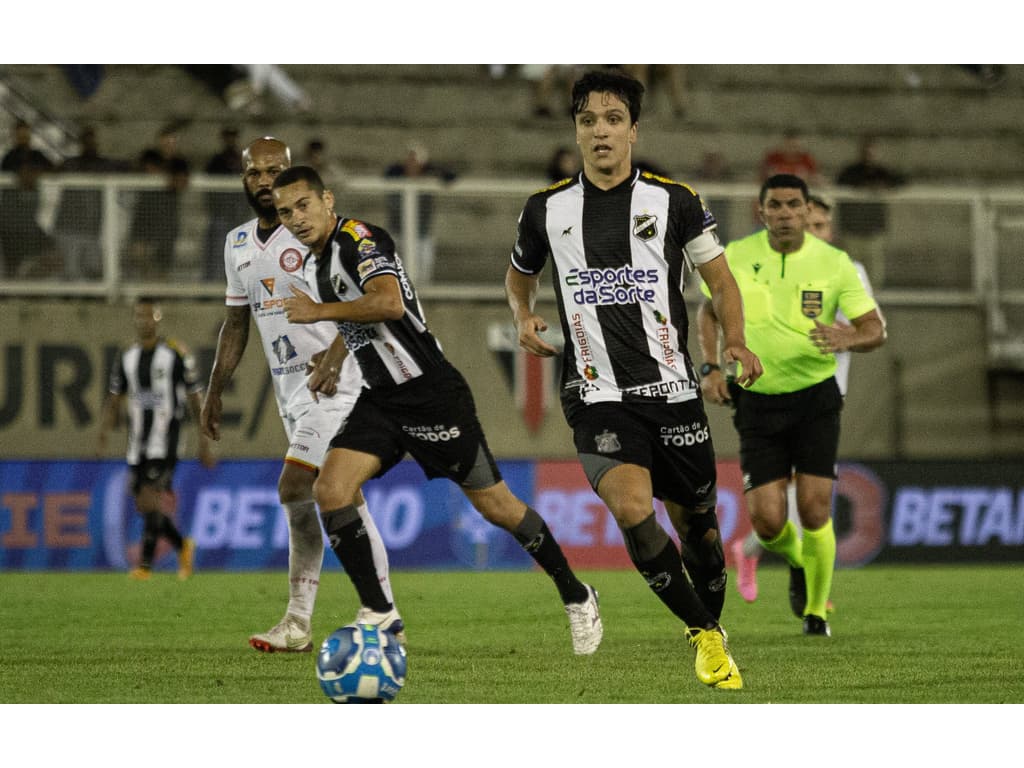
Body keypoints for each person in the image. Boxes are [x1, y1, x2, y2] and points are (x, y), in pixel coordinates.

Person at [273, 165, 604, 658]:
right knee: (331, 489)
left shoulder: (359, 240)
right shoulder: (317, 263)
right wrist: (335, 358)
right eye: (284, 212)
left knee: (498, 507)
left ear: (327, 199)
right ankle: (380, 612)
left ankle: (577, 595)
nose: (296, 219)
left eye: (303, 206)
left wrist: (317, 314)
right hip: (383, 399)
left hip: (431, 393)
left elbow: (386, 303)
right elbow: (362, 316)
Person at [504, 69, 762, 689]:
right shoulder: (546, 209)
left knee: (700, 534)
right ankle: (705, 637)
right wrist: (522, 315)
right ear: (576, 129)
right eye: (589, 120)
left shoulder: (676, 200)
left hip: (673, 392)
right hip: (595, 393)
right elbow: (520, 276)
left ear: (633, 130)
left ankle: (706, 620)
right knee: (630, 508)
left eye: (612, 120)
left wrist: (734, 340)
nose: (600, 132)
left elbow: (720, 282)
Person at [200, 137, 403, 654]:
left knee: (295, 485)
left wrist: (336, 356)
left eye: (274, 171)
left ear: (293, 174)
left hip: (342, 383)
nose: (264, 181)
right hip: (292, 390)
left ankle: (296, 621)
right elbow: (236, 322)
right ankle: (386, 614)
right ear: (244, 179)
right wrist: (215, 389)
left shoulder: (321, 238)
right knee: (345, 500)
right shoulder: (238, 243)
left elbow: (367, 299)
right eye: (254, 173)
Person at [697, 174, 886, 637]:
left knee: (816, 508)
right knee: (766, 519)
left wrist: (850, 336)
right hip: (757, 399)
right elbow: (707, 311)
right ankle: (800, 559)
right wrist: (710, 369)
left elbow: (874, 329)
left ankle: (816, 613)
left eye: (793, 205)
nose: (785, 213)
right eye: (775, 205)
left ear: (807, 211)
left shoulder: (835, 264)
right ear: (761, 212)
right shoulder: (736, 257)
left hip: (816, 398)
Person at [96, 297, 216, 580]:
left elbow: (194, 397)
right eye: (139, 316)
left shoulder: (175, 354)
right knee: (142, 504)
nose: (143, 321)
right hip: (137, 443)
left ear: (158, 318)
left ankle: (144, 566)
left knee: (151, 499)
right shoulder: (127, 356)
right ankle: (182, 545)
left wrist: (203, 440)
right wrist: (103, 431)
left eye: (148, 316)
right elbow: (115, 397)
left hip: (167, 440)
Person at [835, 135, 906, 287]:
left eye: (873, 152)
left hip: (874, 230)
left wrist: (882, 186)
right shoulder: (851, 172)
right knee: (852, 271)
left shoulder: (881, 172)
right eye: (867, 152)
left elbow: (901, 181)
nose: (870, 155)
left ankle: (873, 305)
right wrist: (863, 187)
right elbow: (841, 185)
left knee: (875, 273)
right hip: (853, 230)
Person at [383, 140, 456, 284]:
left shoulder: (429, 178)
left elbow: (451, 176)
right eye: (409, 160)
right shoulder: (396, 176)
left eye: (416, 160)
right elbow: (387, 173)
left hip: (422, 234)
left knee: (422, 276)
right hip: (398, 232)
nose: (412, 164)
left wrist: (430, 169)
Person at [202, 126, 252, 279]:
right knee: (216, 253)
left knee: (239, 256)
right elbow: (209, 186)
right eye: (228, 137)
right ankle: (209, 289)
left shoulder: (242, 160)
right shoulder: (216, 161)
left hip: (238, 217)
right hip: (221, 215)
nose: (230, 140)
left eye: (233, 137)